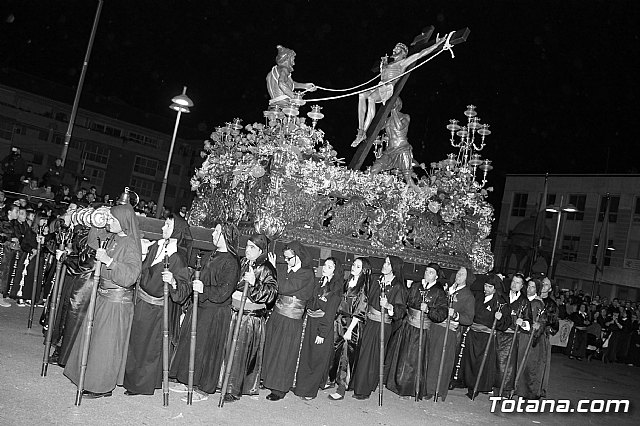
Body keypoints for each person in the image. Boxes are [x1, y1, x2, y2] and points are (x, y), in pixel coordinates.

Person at [64, 203, 142, 399]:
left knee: (106, 347)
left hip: (116, 302)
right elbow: (93, 242)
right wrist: (99, 218)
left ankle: (102, 386)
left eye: (113, 219)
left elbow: (131, 276)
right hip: (104, 297)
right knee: (94, 341)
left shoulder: (131, 244)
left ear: (123, 222)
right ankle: (87, 377)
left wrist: (109, 262)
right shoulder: (114, 237)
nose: (110, 221)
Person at [169, 221, 240, 402]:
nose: (213, 235)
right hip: (200, 306)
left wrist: (204, 289)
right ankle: (187, 380)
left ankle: (204, 388)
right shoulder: (211, 255)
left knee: (207, 350)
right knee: (191, 344)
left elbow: (225, 290)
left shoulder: (231, 262)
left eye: (217, 232)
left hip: (215, 312)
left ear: (226, 235)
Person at [123, 214, 191, 396]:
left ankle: (141, 385)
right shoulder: (157, 246)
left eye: (167, 226)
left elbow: (184, 289)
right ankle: (129, 378)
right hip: (142, 302)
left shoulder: (178, 258)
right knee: (135, 344)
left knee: (147, 348)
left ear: (176, 231)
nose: (163, 229)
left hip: (156, 309)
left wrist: (174, 281)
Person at [352, 38, 447, 145]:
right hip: (380, 86)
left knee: (371, 98)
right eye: (394, 48)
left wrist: (437, 44)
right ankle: (360, 129)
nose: (394, 50)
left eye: (397, 49)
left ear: (403, 53)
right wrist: (383, 66)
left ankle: (364, 131)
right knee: (361, 94)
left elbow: (420, 54)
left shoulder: (402, 63)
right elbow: (382, 76)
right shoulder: (388, 64)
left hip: (387, 88)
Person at [222, 234, 278, 403]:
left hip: (249, 318)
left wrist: (255, 283)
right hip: (235, 312)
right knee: (228, 349)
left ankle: (232, 389)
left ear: (260, 250)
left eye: (252, 247)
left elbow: (272, 294)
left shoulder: (267, 268)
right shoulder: (243, 262)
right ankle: (223, 382)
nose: (247, 250)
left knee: (239, 354)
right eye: (247, 246)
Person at [262, 241, 316, 401]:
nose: (286, 261)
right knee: (271, 348)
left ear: (298, 256)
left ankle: (279, 388)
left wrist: (273, 269)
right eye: (284, 258)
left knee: (284, 354)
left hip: (291, 320)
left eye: (288, 258)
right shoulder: (286, 269)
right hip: (278, 315)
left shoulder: (306, 273)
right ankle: (268, 379)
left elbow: (284, 287)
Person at [385, 262, 447, 399]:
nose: (427, 274)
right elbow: (405, 301)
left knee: (414, 361)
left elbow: (442, 313)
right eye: (426, 271)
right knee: (401, 355)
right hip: (408, 326)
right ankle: (395, 384)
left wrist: (429, 310)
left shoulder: (439, 292)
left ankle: (409, 389)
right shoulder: (416, 286)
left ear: (436, 276)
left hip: (421, 330)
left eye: (431, 272)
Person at [352, 255, 407, 400]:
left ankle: (365, 389)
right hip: (368, 321)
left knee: (373, 357)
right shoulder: (376, 279)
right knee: (363, 354)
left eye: (388, 264)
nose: (385, 265)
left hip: (382, 324)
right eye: (385, 262)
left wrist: (389, 306)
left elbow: (401, 311)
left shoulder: (398, 287)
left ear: (394, 268)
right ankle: (357, 384)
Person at [294, 258, 344, 400]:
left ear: (335, 271)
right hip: (310, 321)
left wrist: (322, 333)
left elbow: (330, 312)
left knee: (316, 359)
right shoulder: (320, 282)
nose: (325, 268)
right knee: (307, 355)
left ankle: (310, 391)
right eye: (325, 265)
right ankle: (301, 386)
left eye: (330, 266)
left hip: (322, 325)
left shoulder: (335, 288)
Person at [427, 266, 475, 400]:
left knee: (440, 360)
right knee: (430, 357)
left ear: (468, 278)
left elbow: (469, 319)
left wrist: (455, 315)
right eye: (458, 272)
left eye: (463, 274)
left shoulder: (468, 296)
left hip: (448, 331)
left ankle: (435, 389)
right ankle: (426, 386)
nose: (459, 275)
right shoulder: (446, 290)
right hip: (435, 327)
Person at [327, 257, 371, 401]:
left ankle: (341, 388)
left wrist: (350, 329)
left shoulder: (363, 287)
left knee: (346, 357)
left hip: (352, 324)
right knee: (335, 351)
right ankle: (331, 379)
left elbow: (360, 310)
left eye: (358, 266)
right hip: (340, 320)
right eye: (353, 264)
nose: (354, 267)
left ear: (364, 270)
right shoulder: (348, 282)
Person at [460, 274, 510, 398]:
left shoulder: (500, 302)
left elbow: (505, 323)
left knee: (480, 362)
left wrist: (499, 319)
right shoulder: (478, 296)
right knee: (470, 359)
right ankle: (469, 383)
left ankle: (476, 387)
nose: (486, 289)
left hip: (486, 336)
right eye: (485, 286)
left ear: (495, 288)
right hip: (473, 333)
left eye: (489, 287)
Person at [494, 272, 531, 397]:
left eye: (518, 283)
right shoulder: (502, 296)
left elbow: (529, 322)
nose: (514, 284)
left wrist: (523, 322)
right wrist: (496, 315)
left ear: (522, 286)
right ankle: (494, 389)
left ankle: (504, 392)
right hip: (499, 334)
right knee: (496, 364)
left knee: (508, 366)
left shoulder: (524, 302)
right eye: (513, 281)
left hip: (511, 337)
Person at [366, 97, 417, 187]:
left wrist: (394, 112)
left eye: (393, 102)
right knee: (374, 169)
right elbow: (375, 128)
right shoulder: (387, 120)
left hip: (402, 148)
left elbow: (399, 127)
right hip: (390, 150)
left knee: (408, 177)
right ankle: (368, 189)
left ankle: (418, 196)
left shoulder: (405, 117)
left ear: (398, 104)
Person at [514, 278, 547, 399]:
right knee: (519, 364)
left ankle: (528, 393)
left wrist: (537, 326)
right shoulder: (523, 301)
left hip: (531, 339)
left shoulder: (538, 304)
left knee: (529, 366)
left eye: (532, 287)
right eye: (528, 286)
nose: (529, 289)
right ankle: (518, 389)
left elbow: (542, 322)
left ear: (537, 290)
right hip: (521, 337)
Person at [0, 205, 21, 307]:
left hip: (9, 252)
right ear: (9, 212)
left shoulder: (13, 224)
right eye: (16, 211)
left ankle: (3, 294)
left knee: (6, 273)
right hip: (3, 251)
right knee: (2, 273)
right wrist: (10, 239)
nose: (17, 214)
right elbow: (2, 237)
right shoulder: (2, 223)